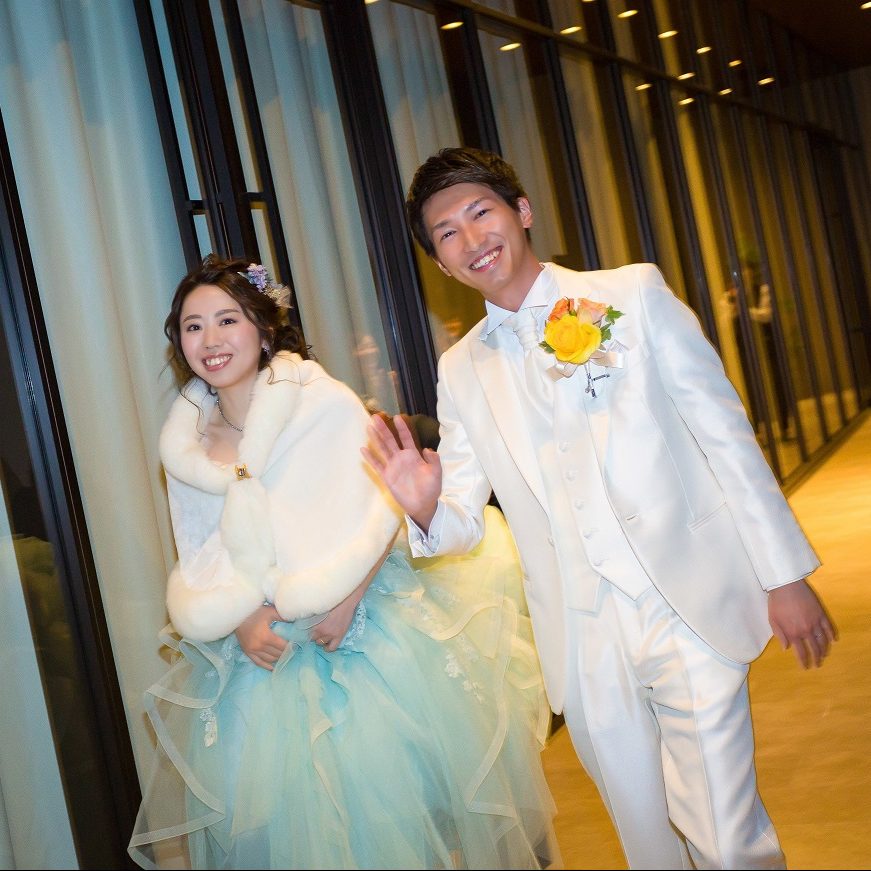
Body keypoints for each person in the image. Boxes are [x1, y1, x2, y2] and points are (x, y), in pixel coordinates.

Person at [363, 147, 837, 870]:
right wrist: (425, 508)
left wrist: (784, 573)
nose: (471, 238)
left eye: (481, 212)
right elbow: (460, 518)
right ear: (440, 264)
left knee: (724, 834)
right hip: (581, 638)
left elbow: (724, 437)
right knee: (647, 844)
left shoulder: (631, 295)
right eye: (447, 233)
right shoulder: (460, 369)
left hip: (684, 604)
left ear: (522, 211)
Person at [128, 255, 559, 870]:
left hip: (361, 632)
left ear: (263, 329)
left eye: (227, 320)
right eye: (193, 327)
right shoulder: (186, 443)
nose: (211, 339)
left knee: (393, 816)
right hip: (264, 652)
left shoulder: (323, 402)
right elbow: (199, 550)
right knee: (289, 831)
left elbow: (382, 511)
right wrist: (240, 617)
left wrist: (345, 600)